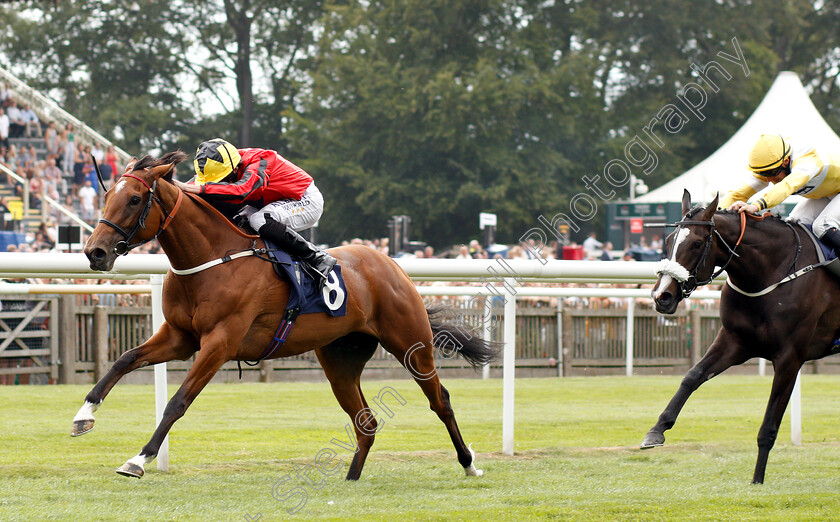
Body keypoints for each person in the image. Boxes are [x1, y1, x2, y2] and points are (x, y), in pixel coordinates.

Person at [173, 138, 336, 286]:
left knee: (259, 220)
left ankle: (316, 257)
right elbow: (188, 187)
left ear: (235, 168)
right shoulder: (226, 165)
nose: (220, 184)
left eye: (223, 179)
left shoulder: (261, 159)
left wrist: (200, 188)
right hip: (268, 202)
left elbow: (243, 189)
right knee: (237, 220)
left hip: (304, 200)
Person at [721, 134, 840, 251]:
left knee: (823, 226)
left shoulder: (806, 159)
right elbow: (737, 194)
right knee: (794, 226)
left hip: (833, 192)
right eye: (763, 174)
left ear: (786, 161)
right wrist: (716, 216)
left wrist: (755, 206)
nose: (767, 179)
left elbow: (786, 187)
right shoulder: (773, 165)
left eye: (770, 173)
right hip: (828, 193)